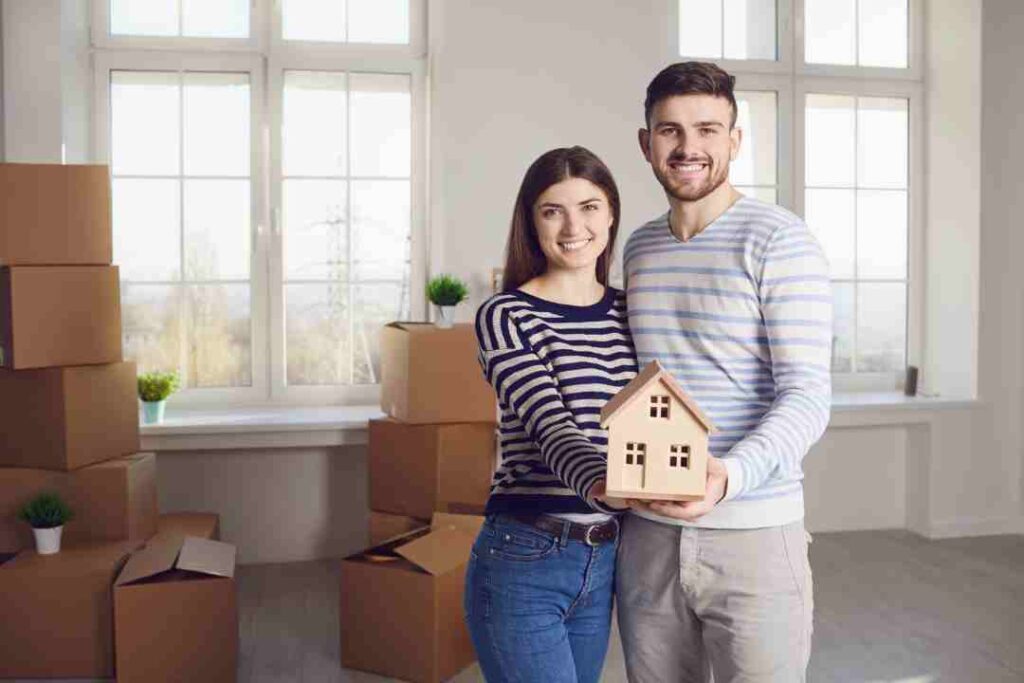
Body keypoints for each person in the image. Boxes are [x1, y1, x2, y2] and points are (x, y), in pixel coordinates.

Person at [616, 61, 832, 682]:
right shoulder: (639, 248)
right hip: (649, 537)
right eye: (670, 130)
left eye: (709, 129)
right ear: (646, 142)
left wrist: (728, 477)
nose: (688, 147)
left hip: (754, 533)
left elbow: (807, 395)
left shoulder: (779, 241)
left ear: (734, 141)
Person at [465, 146, 638, 683]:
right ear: (531, 221)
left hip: (607, 555)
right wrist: (603, 481)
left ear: (611, 213)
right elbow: (549, 425)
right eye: (552, 210)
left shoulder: (633, 311)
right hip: (525, 555)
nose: (573, 226)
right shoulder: (505, 314)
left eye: (589, 207)